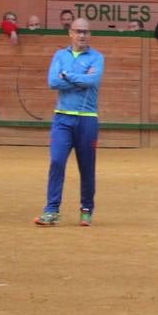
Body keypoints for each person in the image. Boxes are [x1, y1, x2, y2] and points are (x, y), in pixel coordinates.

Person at [35, 17, 103, 227]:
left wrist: (67, 76)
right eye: (78, 31)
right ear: (70, 33)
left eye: (85, 32)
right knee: (56, 161)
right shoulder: (60, 55)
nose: (82, 35)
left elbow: (93, 80)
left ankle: (86, 209)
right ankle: (52, 210)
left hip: (87, 119)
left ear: (89, 34)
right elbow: (53, 82)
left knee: (87, 167)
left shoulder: (97, 57)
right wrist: (78, 77)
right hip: (62, 117)